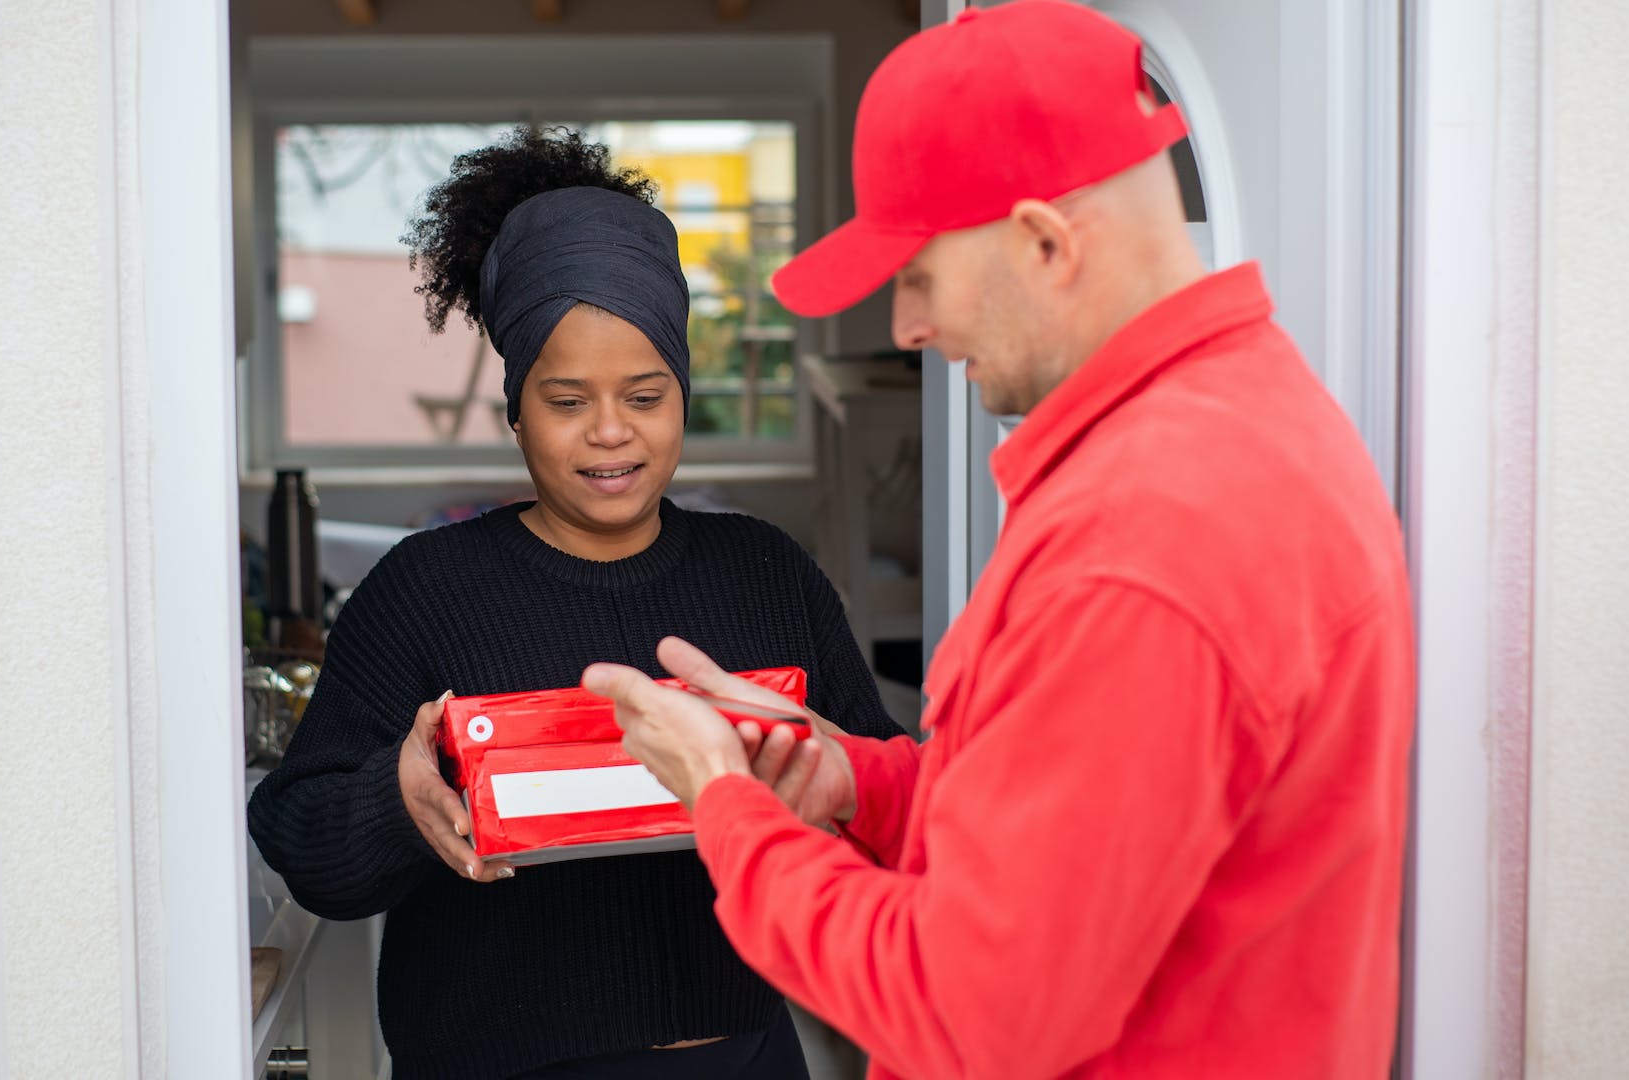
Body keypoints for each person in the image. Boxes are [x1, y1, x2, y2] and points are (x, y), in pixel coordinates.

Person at [580, 3, 1417, 1078]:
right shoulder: (1235, 422)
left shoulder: (1149, 537)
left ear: (1043, 244)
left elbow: (970, 1013)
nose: (906, 329)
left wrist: (728, 808)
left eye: (919, 277)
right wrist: (856, 782)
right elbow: (1095, 840)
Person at [247, 125, 899, 1080]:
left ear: (683, 392)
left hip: (746, 1058)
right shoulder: (424, 591)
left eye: (644, 395)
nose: (608, 434)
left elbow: (886, 803)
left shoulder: (765, 572)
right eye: (565, 400)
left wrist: (820, 784)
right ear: (515, 406)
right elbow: (300, 840)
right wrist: (400, 795)